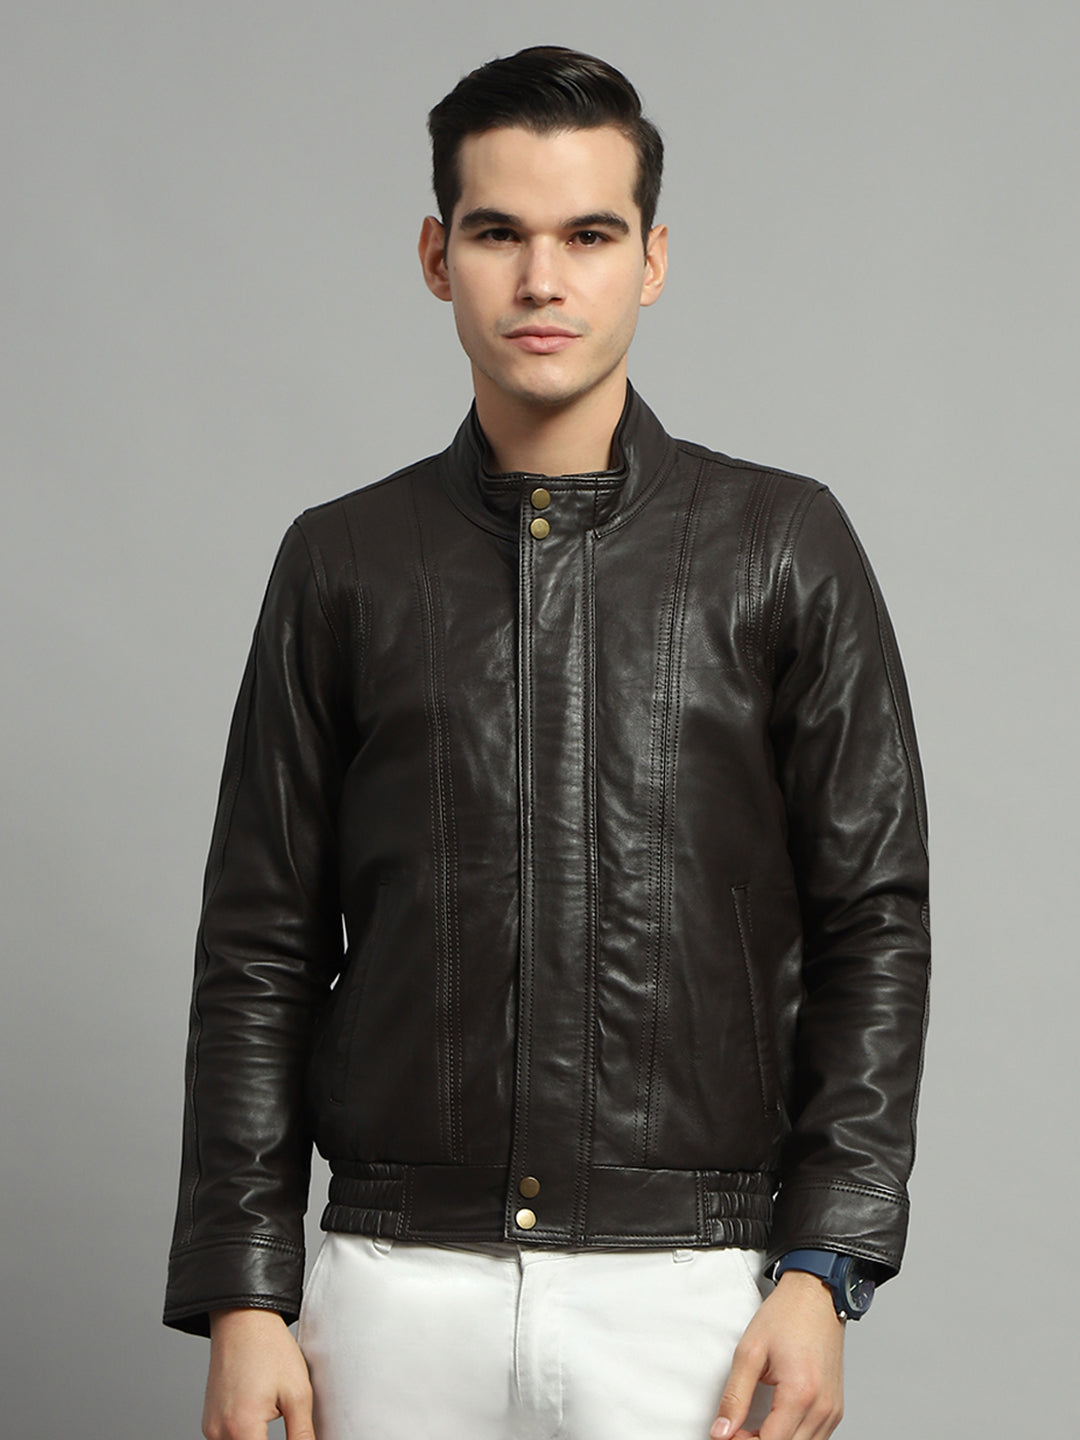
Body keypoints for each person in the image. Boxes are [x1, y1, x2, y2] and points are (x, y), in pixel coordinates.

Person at [164, 45, 930, 1440]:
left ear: (651, 260)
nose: (540, 280)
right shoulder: (343, 562)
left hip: (693, 1299)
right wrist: (244, 1295)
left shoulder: (781, 546)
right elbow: (261, 946)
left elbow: (872, 921)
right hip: (395, 1294)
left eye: (588, 235)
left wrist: (825, 1264)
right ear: (434, 255)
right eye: (497, 233)